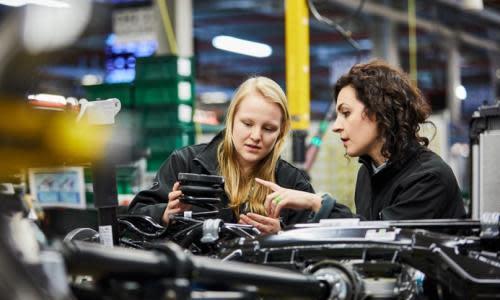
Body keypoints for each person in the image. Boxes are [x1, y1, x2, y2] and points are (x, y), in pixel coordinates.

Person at [257, 60, 466, 221]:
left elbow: (383, 243)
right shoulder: (367, 173)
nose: (336, 126)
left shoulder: (429, 178)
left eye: (346, 113)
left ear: (379, 111)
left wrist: (318, 203)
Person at [128, 76, 313, 234]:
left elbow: (316, 245)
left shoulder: (293, 184)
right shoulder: (185, 164)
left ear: (280, 132)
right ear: (231, 120)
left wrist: (281, 236)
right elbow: (132, 220)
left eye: (268, 128)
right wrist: (165, 214)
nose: (256, 136)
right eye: (247, 124)